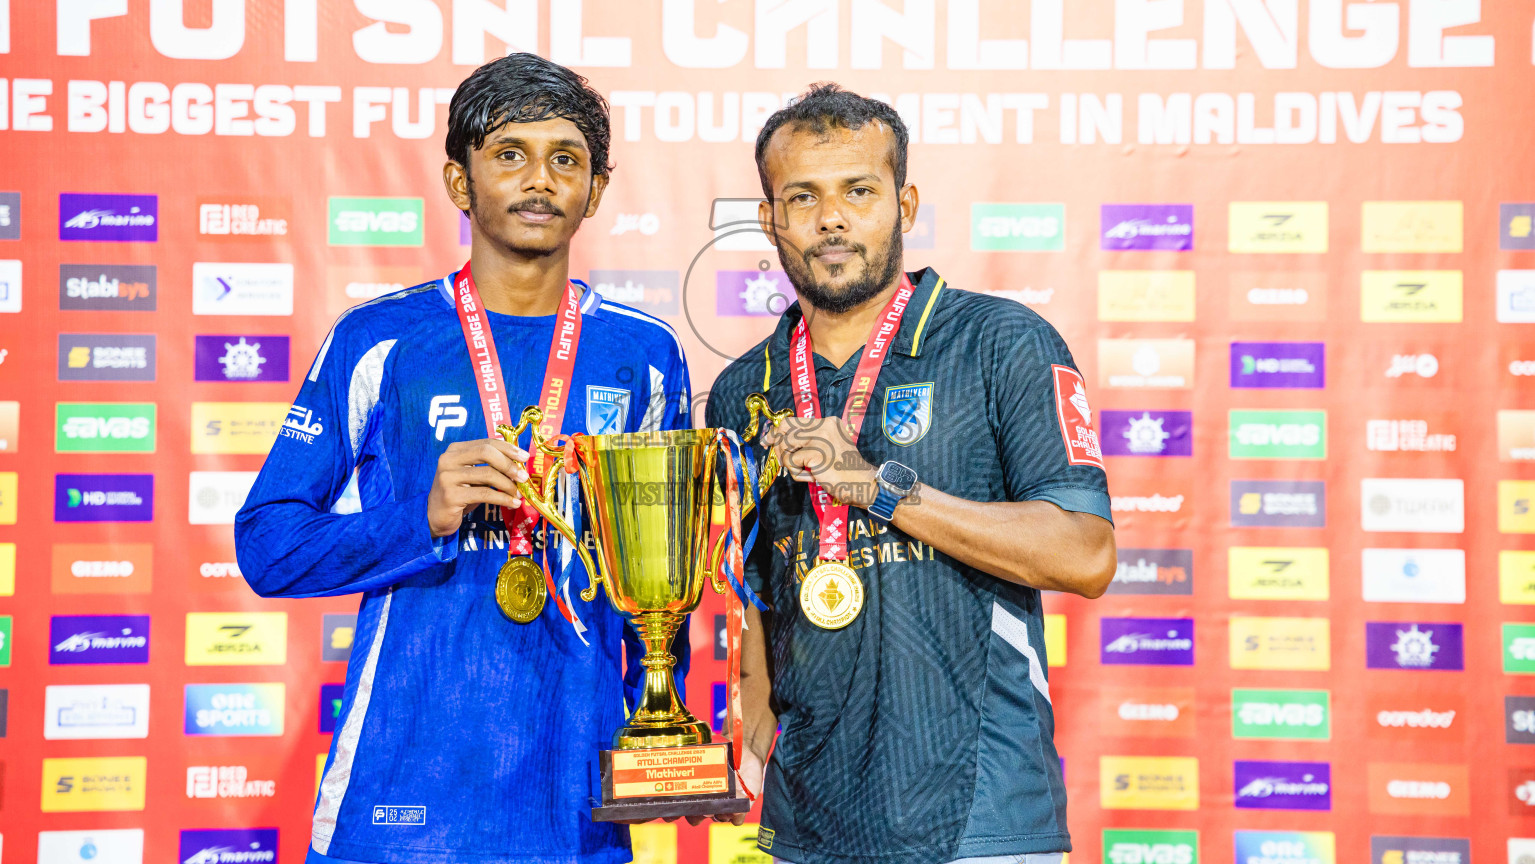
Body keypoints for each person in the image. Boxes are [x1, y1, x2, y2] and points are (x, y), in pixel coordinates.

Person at [236, 53, 692, 864]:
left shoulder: (644, 354)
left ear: (596, 189)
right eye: (509, 154)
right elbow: (268, 547)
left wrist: (661, 740)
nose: (539, 179)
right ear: (459, 181)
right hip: (403, 795)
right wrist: (423, 518)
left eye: (566, 159)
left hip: (574, 799)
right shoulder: (380, 341)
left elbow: (657, 587)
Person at [705, 84, 1116, 864]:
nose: (831, 217)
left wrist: (877, 485)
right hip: (806, 825)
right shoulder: (741, 388)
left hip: (980, 819)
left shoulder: (1000, 342)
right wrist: (750, 693)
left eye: (858, 191)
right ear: (770, 221)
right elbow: (749, 578)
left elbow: (1084, 554)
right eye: (802, 197)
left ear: (904, 203)